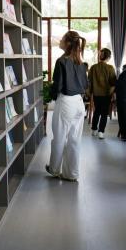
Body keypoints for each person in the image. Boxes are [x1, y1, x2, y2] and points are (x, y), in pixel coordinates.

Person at [45, 31, 88, 181]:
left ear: (68, 43)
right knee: (74, 140)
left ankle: (54, 169)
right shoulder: (81, 63)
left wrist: (50, 96)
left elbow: (58, 85)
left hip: (66, 103)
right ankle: (72, 174)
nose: (60, 41)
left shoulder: (61, 61)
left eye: (62, 39)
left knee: (59, 138)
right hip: (79, 103)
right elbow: (85, 84)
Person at [88, 48, 117, 139]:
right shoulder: (110, 68)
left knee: (96, 111)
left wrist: (90, 93)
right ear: (108, 57)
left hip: (96, 94)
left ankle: (94, 129)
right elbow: (113, 82)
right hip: (106, 94)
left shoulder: (93, 67)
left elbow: (89, 81)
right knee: (104, 113)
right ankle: (101, 132)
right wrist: (113, 93)